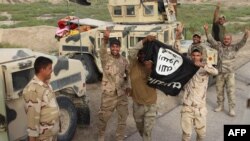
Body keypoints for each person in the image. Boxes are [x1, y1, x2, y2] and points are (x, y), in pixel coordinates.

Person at [204, 23, 249, 116]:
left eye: (228, 39)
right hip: (220, 73)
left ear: (231, 40)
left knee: (231, 91)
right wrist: (206, 30)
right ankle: (220, 106)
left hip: (230, 74)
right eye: (225, 39)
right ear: (223, 39)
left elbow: (242, 43)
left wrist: (246, 35)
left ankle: (231, 109)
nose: (226, 40)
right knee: (219, 90)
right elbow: (211, 40)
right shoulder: (219, 46)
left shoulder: (234, 47)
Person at [98, 29, 131, 141]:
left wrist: (128, 86)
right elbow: (102, 50)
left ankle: (119, 138)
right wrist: (105, 39)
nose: (115, 49)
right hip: (109, 95)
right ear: (110, 47)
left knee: (123, 118)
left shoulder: (124, 61)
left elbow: (128, 75)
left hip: (121, 95)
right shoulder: (105, 58)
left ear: (120, 47)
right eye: (113, 46)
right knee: (103, 118)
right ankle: (101, 136)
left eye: (117, 47)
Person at [181, 48, 218, 141]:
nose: (195, 57)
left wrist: (202, 65)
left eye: (197, 55)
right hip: (187, 106)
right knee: (186, 135)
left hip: (200, 107)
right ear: (191, 56)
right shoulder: (186, 67)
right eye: (193, 55)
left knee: (201, 135)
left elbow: (215, 72)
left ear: (201, 56)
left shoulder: (205, 66)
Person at [23, 56, 60, 141]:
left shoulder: (46, 84)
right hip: (43, 137)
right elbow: (32, 120)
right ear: (42, 70)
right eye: (50, 68)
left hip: (51, 134)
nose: (52, 70)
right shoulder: (33, 90)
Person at [129, 35, 156, 141]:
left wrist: (152, 69)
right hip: (137, 104)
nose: (141, 56)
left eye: (144, 53)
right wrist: (144, 40)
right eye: (140, 53)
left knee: (147, 133)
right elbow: (132, 51)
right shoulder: (133, 64)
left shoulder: (153, 65)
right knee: (140, 129)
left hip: (151, 105)